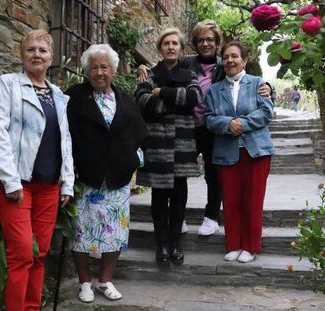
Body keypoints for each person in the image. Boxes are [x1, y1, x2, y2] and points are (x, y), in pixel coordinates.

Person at [139, 20, 271, 236]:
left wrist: (269, 87)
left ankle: (211, 216)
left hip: (214, 127)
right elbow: (164, 65)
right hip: (187, 127)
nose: (205, 43)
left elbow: (246, 82)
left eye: (210, 39)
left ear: (217, 42)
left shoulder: (225, 63)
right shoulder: (187, 62)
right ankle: (177, 218)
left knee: (213, 173)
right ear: (194, 43)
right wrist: (144, 67)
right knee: (179, 173)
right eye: (201, 40)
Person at [0, 29, 74, 310]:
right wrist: (10, 181)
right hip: (17, 185)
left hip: (49, 186)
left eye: (43, 50)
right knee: (22, 253)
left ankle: (33, 307)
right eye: (31, 49)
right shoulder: (7, 85)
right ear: (21, 55)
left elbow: (65, 140)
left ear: (51, 58)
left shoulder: (58, 95)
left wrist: (67, 182)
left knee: (40, 253)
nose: (37, 54)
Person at [66, 44, 147, 303]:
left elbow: (138, 133)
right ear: (87, 71)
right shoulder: (75, 96)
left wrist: (134, 160)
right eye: (94, 67)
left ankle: (105, 280)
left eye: (104, 67)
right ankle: (84, 283)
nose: (99, 72)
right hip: (86, 177)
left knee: (115, 233)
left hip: (117, 178)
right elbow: (64, 133)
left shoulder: (124, 99)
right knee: (81, 233)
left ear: (112, 70)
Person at [135, 28, 203, 265]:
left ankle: (175, 244)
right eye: (166, 43)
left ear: (181, 49)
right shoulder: (150, 74)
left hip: (182, 145)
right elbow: (142, 102)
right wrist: (175, 101)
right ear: (160, 48)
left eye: (175, 43)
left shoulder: (189, 74)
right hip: (157, 144)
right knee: (158, 197)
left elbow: (194, 99)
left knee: (179, 197)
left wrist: (161, 92)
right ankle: (161, 246)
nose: (171, 47)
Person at [205, 41, 275, 263]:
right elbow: (208, 118)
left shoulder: (257, 84)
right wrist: (227, 124)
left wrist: (241, 124)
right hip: (227, 152)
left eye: (235, 56)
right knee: (231, 200)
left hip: (256, 151)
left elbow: (266, 111)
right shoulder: (214, 90)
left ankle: (251, 246)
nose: (230, 60)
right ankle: (233, 244)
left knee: (253, 200)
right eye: (226, 57)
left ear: (244, 60)